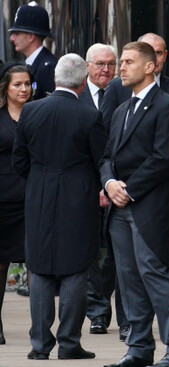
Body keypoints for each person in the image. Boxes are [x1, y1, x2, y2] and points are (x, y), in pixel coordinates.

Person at [100, 41, 169, 367]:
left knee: (155, 276)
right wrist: (110, 183)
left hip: (149, 207)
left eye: (128, 62)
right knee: (128, 281)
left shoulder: (168, 105)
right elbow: (107, 157)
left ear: (150, 66)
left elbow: (165, 158)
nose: (121, 67)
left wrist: (129, 189)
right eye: (121, 61)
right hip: (119, 210)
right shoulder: (120, 110)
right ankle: (139, 348)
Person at [12, 54, 106, 360]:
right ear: (82, 82)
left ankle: (39, 345)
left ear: (55, 80)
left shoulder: (31, 111)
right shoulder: (89, 115)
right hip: (78, 198)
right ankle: (69, 343)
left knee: (38, 267)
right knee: (76, 268)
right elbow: (99, 159)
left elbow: (19, 161)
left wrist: (41, 179)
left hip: (38, 195)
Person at [81, 43, 131, 341]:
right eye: (100, 64)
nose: (106, 70)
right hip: (84, 186)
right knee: (88, 253)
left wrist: (109, 182)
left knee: (114, 253)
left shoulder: (123, 92)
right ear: (87, 65)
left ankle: (115, 306)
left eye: (111, 64)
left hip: (116, 185)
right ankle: (97, 312)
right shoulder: (75, 94)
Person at [0, 62, 33, 345]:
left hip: (33, 198)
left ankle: (40, 326)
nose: (24, 89)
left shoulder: (38, 113)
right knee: (0, 264)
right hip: (2, 200)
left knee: (37, 264)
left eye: (27, 84)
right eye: (17, 84)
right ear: (6, 88)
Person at [9, 2, 57, 100]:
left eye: (17, 33)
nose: (12, 38)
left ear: (31, 36)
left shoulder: (48, 67)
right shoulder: (30, 63)